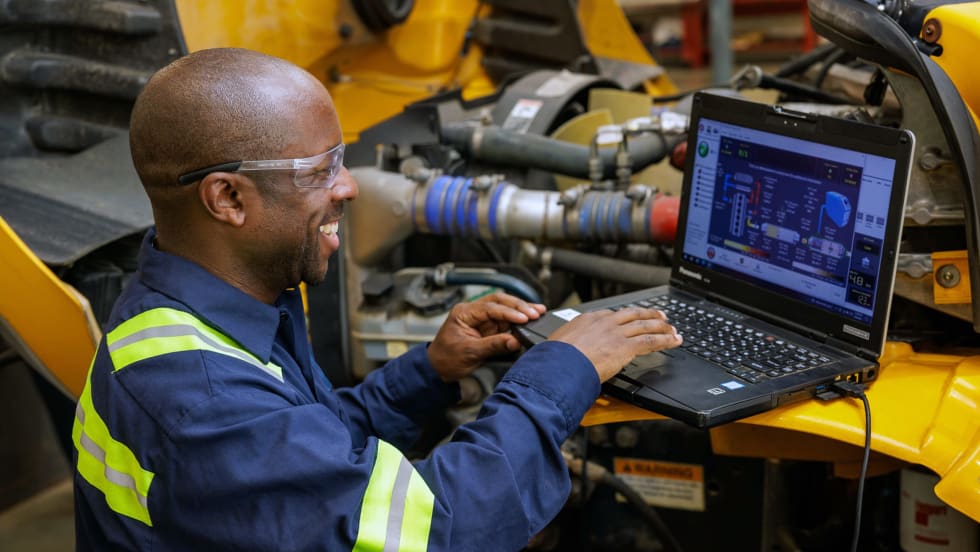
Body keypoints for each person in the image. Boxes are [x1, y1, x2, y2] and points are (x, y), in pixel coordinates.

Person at [71, 47, 683, 551]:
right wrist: (559, 375)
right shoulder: (198, 398)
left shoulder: (192, 311)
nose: (350, 185)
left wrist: (429, 371)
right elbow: (440, 528)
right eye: (320, 168)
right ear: (227, 198)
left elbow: (310, 447)